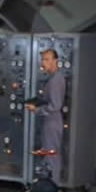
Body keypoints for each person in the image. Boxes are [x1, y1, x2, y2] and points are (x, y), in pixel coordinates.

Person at [25, 49, 66, 180]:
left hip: (52, 121)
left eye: (47, 59)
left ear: (56, 61)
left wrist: (36, 109)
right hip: (51, 121)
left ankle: (53, 185)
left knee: (51, 155)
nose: (43, 63)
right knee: (49, 155)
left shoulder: (55, 80)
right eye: (43, 59)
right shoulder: (54, 78)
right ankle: (50, 184)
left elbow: (55, 106)